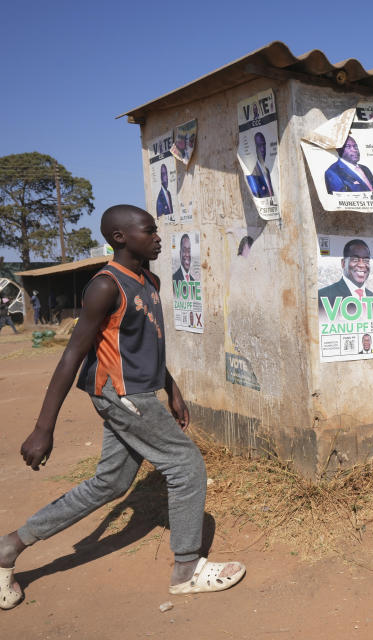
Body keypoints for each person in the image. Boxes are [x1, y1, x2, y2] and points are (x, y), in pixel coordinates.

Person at [0, 205, 245, 612]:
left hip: (141, 391)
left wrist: (172, 387)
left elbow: (145, 344)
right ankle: (187, 571)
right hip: (123, 395)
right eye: (148, 231)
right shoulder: (105, 286)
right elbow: (72, 356)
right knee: (186, 467)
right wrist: (44, 427)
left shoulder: (150, 279)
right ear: (120, 237)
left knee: (110, 484)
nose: (157, 237)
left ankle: (10, 546)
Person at [318, 239, 373, 313]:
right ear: (343, 263)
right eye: (355, 259)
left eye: (366, 260)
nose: (362, 265)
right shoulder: (323, 296)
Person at [245, 132, 274, 198]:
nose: (263, 149)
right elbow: (256, 194)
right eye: (259, 146)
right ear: (254, 147)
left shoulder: (268, 167)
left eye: (264, 145)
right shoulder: (252, 171)